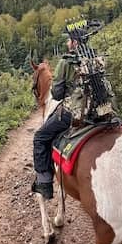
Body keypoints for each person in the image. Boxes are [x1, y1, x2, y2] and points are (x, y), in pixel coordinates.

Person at [31, 37, 79, 199]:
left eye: (68, 40)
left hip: (74, 112)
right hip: (98, 112)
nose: (67, 43)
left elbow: (57, 94)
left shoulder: (66, 62)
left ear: (75, 43)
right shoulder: (95, 57)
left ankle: (44, 184)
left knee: (39, 137)